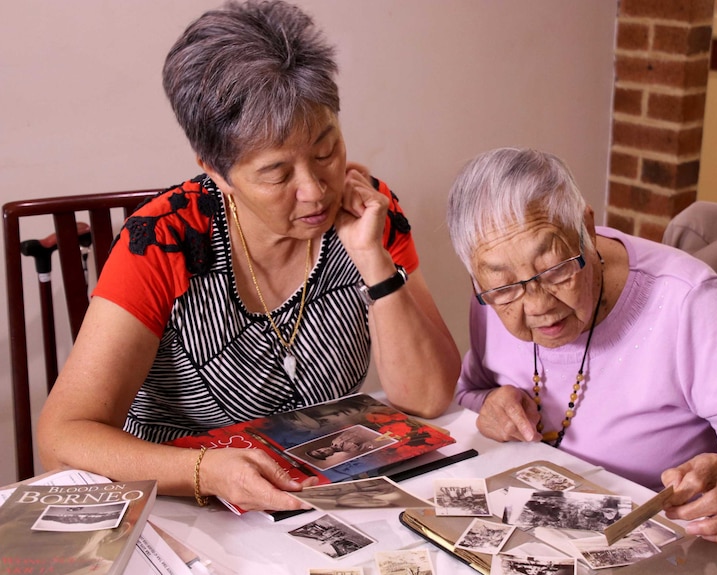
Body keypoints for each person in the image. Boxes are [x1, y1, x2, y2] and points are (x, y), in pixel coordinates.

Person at [36, 0, 460, 513]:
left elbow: (429, 399)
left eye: (326, 151)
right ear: (215, 170)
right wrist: (204, 471)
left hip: (313, 501)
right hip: (181, 506)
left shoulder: (366, 208)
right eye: (278, 173)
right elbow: (63, 439)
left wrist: (373, 261)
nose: (314, 191)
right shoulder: (164, 237)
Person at [446, 147, 717, 551]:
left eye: (557, 268)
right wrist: (490, 402)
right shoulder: (491, 301)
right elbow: (468, 394)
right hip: (543, 538)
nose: (539, 304)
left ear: (586, 228)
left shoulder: (687, 301)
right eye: (505, 286)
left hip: (673, 552)